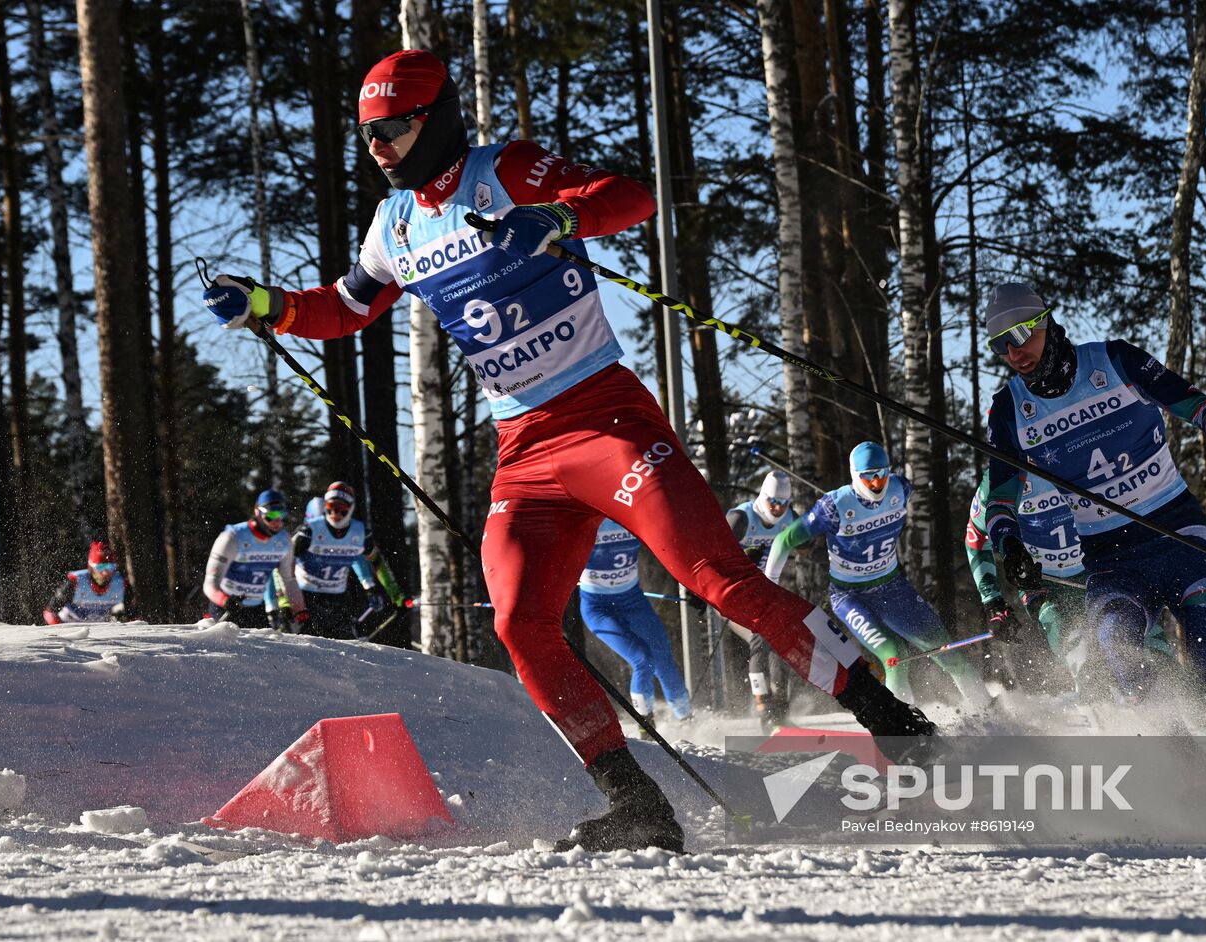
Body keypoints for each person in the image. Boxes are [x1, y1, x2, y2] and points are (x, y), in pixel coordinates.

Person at [200, 48, 933, 853]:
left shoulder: (504, 169)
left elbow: (630, 196)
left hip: (605, 420)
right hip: (524, 452)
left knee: (720, 580)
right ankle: (636, 805)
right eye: (366, 134)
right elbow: (344, 307)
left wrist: (558, 216)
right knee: (521, 624)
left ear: (435, 118)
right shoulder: (393, 225)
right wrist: (263, 304)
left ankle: (893, 725)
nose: (376, 146)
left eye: (393, 129)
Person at [979, 282, 1206, 791]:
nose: (1015, 352)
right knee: (1119, 655)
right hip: (1109, 559)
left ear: (1046, 320)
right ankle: (1203, 785)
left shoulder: (1115, 361)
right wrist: (1009, 543)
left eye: (1020, 333)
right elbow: (999, 498)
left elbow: (1205, 408)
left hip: (1177, 537)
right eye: (1000, 344)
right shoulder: (1009, 409)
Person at [764, 442, 991, 712]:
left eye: (881, 474)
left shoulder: (901, 489)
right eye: (868, 476)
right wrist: (769, 587)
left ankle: (989, 710)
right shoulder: (834, 507)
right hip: (850, 596)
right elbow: (783, 539)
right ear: (854, 475)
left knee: (946, 651)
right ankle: (905, 730)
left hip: (893, 588)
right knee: (895, 654)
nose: (876, 483)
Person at [965, 466, 1174, 697]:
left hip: (1101, 566)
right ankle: (1107, 719)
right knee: (1083, 662)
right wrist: (992, 600)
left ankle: (1194, 714)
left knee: (1148, 645)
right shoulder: (1002, 474)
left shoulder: (1072, 447)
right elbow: (975, 536)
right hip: (1044, 584)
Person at [578, 519, 692, 729]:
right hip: (598, 608)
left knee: (663, 660)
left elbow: (671, 545)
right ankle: (646, 725)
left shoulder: (631, 515)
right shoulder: (588, 519)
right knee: (642, 659)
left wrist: (696, 586)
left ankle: (686, 719)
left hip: (632, 600)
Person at [269, 482, 407, 641]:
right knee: (303, 650)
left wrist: (395, 595)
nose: (335, 513)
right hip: (305, 600)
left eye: (341, 508)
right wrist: (285, 602)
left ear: (350, 508)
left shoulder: (361, 534)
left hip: (337, 602)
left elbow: (376, 562)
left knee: (346, 652)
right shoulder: (309, 531)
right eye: (330, 507)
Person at [724, 471, 796, 728]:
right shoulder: (741, 518)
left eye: (783, 504)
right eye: (772, 502)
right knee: (759, 637)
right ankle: (763, 704)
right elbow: (715, 554)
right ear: (762, 497)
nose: (777, 509)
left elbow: (811, 543)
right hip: (733, 599)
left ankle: (780, 707)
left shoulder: (789, 519)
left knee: (780, 638)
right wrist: (742, 559)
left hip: (765, 599)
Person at [203, 489, 307, 632]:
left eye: (281, 515)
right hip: (225, 607)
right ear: (257, 512)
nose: (277, 521)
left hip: (256, 609)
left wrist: (298, 610)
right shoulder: (232, 537)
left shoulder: (284, 541)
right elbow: (210, 581)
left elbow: (288, 580)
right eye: (271, 515)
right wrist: (225, 600)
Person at [42, 541, 132, 625]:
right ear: (91, 567)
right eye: (100, 567)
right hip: (68, 628)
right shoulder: (75, 582)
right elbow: (49, 612)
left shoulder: (121, 584)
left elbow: (133, 615)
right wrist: (60, 629)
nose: (105, 572)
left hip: (98, 631)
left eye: (110, 566)